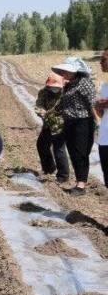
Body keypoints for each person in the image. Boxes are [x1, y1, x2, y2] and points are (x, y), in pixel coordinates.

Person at [53, 57, 97, 195]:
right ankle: (79, 181)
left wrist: (99, 123)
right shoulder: (69, 84)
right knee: (73, 153)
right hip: (69, 122)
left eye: (67, 70)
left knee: (81, 153)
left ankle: (81, 185)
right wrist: (54, 111)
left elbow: (93, 104)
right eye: (63, 70)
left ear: (75, 71)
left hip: (83, 123)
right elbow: (64, 102)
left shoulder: (85, 83)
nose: (64, 73)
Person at [35, 73, 68, 183]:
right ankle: (49, 168)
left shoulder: (66, 93)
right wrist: (42, 113)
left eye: (56, 87)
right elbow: (38, 105)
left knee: (58, 148)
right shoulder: (43, 92)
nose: (54, 89)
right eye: (52, 87)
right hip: (48, 123)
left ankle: (63, 176)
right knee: (41, 145)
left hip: (61, 125)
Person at [96, 49, 108, 185]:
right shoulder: (105, 87)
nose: (100, 62)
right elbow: (101, 114)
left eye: (103, 59)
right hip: (104, 139)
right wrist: (98, 107)